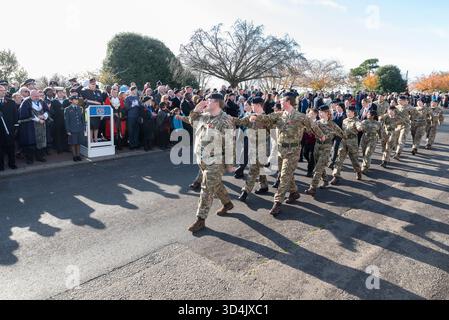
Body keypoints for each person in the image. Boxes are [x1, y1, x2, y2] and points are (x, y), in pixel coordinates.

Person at [252, 92, 324, 216]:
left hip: (293, 151)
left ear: (288, 102)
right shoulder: (280, 115)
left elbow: (312, 127)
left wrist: (322, 136)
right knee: (286, 174)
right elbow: (267, 118)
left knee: (284, 176)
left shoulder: (300, 116)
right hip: (281, 150)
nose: (279, 101)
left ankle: (277, 202)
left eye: (281, 100)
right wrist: (256, 117)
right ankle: (294, 192)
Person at [187, 93, 236, 234]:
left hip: (216, 160)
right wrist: (196, 109)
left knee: (207, 188)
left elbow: (229, 143)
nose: (205, 102)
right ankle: (227, 203)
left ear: (217, 103)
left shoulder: (225, 120)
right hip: (203, 158)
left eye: (209, 100)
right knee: (216, 184)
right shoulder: (205, 116)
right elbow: (192, 121)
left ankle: (200, 220)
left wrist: (229, 164)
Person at [234, 97, 269, 202]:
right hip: (253, 147)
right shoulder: (251, 116)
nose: (251, 106)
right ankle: (264, 186)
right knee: (260, 167)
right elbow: (240, 121)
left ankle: (245, 192)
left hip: (261, 148)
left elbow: (271, 134)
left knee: (253, 170)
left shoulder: (266, 118)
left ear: (258, 105)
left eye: (253, 105)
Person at [305, 105, 344, 197]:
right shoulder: (317, 123)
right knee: (319, 165)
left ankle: (312, 188)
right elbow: (309, 132)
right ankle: (325, 180)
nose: (320, 114)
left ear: (327, 113)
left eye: (321, 112)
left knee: (318, 168)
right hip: (317, 146)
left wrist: (341, 144)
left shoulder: (333, 125)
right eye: (319, 112)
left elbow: (342, 134)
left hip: (326, 147)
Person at [330, 106, 362, 185]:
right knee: (339, 158)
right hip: (344, 141)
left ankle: (358, 171)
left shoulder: (357, 120)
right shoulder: (344, 120)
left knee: (354, 159)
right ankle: (336, 176)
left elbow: (359, 127)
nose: (347, 113)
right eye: (347, 112)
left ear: (353, 113)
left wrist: (360, 128)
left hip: (352, 142)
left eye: (349, 112)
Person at [18, 90, 49, 164]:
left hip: (41, 125)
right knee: (31, 142)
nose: (37, 97)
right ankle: (30, 159)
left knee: (40, 141)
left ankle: (39, 157)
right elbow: (25, 114)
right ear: (31, 95)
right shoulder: (26, 102)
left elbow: (47, 110)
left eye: (38, 96)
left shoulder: (41, 101)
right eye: (35, 96)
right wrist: (38, 119)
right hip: (30, 126)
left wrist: (44, 116)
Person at [0, 85, 19, 171]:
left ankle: (12, 163)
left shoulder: (11, 102)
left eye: (4, 90)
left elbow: (16, 115)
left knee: (11, 147)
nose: (2, 92)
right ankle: (1, 165)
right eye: (1, 90)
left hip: (9, 129)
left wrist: (15, 126)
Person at [81, 78, 103, 143]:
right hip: (89, 111)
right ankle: (90, 140)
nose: (94, 85)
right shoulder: (85, 91)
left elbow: (101, 101)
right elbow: (84, 99)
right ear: (89, 84)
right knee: (90, 126)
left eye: (95, 84)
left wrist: (90, 101)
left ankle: (95, 139)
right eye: (92, 84)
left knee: (96, 126)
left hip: (97, 111)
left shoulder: (98, 91)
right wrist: (95, 102)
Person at [64, 96, 85, 162]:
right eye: (75, 100)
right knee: (73, 143)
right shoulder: (67, 109)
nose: (76, 101)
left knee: (78, 143)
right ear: (71, 101)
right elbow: (66, 121)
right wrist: (68, 130)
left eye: (77, 100)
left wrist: (83, 127)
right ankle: (74, 156)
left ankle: (78, 155)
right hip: (72, 129)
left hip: (79, 128)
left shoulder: (80, 108)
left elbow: (82, 119)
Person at [50, 88, 69, 154]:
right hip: (57, 120)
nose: (61, 94)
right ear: (57, 93)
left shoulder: (67, 101)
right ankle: (59, 148)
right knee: (58, 134)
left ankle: (65, 147)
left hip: (66, 120)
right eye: (59, 92)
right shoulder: (53, 101)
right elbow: (52, 111)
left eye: (62, 92)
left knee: (65, 133)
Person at [329, 102, 346, 170]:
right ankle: (333, 159)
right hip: (332, 134)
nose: (337, 108)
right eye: (336, 107)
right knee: (331, 147)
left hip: (339, 135)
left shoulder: (344, 115)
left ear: (342, 108)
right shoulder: (334, 114)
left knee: (336, 147)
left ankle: (332, 162)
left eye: (338, 107)